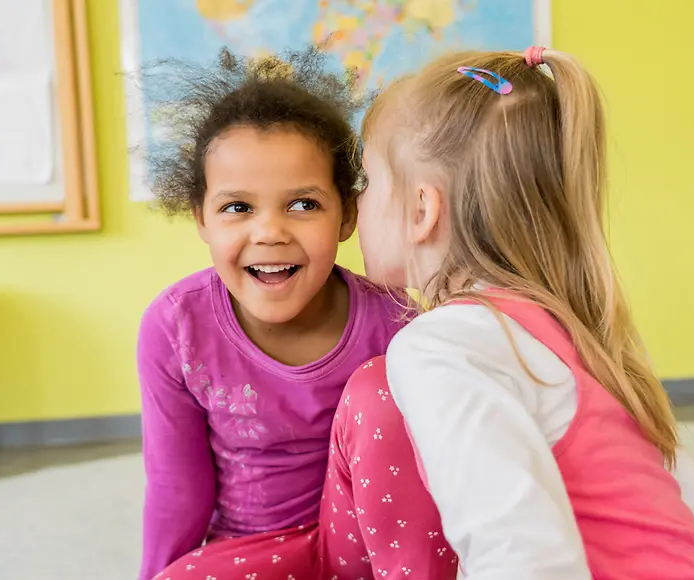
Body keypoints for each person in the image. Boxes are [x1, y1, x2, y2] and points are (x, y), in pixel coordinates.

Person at [354, 46, 694, 578]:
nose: (357, 203)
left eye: (367, 181)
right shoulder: (576, 328)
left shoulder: (440, 344)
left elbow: (522, 554)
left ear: (421, 209)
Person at [137, 47, 455, 580]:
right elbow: (176, 488)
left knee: (384, 392)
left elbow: (436, 477)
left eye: (303, 204)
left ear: (347, 215)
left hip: (368, 555)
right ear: (201, 219)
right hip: (250, 554)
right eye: (237, 207)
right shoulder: (176, 327)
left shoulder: (399, 322)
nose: (270, 232)